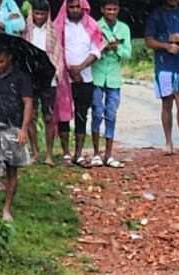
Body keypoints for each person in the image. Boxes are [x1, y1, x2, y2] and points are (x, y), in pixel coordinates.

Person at [0, 43, 34, 221]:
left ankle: (7, 208)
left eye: (1, 61)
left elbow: (28, 103)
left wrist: (24, 129)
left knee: (12, 167)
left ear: (9, 58)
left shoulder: (21, 77)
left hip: (14, 125)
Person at [145, 0, 179, 155]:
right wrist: (166, 46)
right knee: (167, 103)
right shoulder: (156, 15)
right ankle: (168, 142)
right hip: (164, 65)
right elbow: (149, 40)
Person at [56, 0, 104, 168]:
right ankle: (66, 154)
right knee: (62, 116)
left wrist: (80, 68)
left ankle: (79, 153)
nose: (75, 10)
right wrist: (70, 70)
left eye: (77, 7)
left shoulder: (91, 24)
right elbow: (56, 49)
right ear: (66, 8)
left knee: (82, 115)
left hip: (85, 77)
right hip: (63, 78)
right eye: (71, 7)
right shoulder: (60, 25)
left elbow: (96, 50)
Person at [23, 0, 63, 164]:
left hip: (48, 78)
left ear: (47, 14)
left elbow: (58, 54)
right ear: (32, 13)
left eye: (42, 14)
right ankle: (34, 152)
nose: (39, 17)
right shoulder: (25, 31)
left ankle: (49, 154)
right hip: (30, 77)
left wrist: (56, 72)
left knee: (49, 117)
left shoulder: (53, 31)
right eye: (37, 13)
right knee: (30, 115)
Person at [91, 0, 131, 167]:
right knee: (97, 113)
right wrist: (103, 48)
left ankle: (108, 154)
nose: (111, 12)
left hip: (114, 77)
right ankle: (95, 153)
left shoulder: (124, 28)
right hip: (97, 75)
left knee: (111, 114)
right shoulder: (94, 26)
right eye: (108, 9)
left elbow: (128, 54)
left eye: (114, 9)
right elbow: (90, 49)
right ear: (102, 10)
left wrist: (116, 48)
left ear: (118, 10)